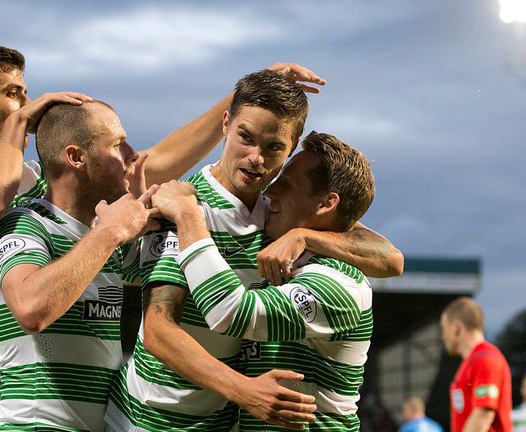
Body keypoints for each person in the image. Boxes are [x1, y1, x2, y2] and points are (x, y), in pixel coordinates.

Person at [0, 42, 320, 431]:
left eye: (26, 94)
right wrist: (27, 126)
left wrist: (250, 94)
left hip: (25, 401)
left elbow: (141, 166)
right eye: (14, 94)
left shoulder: (31, 185)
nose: (29, 103)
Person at [105, 71, 404, 431]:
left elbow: (390, 257)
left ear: (290, 148)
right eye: (245, 138)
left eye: (274, 147)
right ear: (227, 124)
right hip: (148, 420)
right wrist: (243, 390)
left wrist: (307, 237)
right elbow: (158, 332)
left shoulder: (276, 211)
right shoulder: (186, 207)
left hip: (216, 423)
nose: (255, 158)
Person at [146, 132, 385, 431]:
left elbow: (232, 312)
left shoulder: (338, 284)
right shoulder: (281, 252)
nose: (271, 191)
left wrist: (187, 215)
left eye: (287, 185)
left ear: (326, 204)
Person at [441, 297, 513, 432]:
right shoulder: (471, 362)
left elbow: (483, 414)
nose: (443, 336)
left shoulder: (486, 359)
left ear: (457, 329)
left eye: (444, 329)